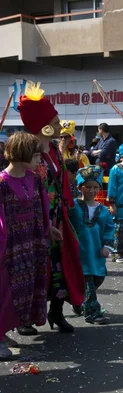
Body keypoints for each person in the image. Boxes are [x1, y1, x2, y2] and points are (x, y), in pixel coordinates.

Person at [18, 81, 84, 334]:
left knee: (60, 264)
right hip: (33, 219)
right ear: (43, 124)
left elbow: (62, 182)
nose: (59, 126)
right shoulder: (26, 151)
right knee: (33, 266)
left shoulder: (55, 149)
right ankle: (24, 317)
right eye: (55, 122)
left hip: (57, 218)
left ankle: (56, 312)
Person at [0, 133, 50, 359]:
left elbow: (41, 210)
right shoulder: (1, 183)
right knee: (5, 292)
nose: (40, 159)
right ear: (22, 153)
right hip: (9, 246)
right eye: (37, 154)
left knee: (24, 293)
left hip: (31, 243)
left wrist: (50, 230)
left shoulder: (35, 179)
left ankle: (3, 333)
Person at [70, 166, 115, 325]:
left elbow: (110, 229)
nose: (91, 190)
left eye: (95, 187)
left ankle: (79, 301)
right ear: (79, 187)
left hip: (96, 253)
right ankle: (93, 312)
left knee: (98, 278)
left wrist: (107, 247)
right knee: (87, 282)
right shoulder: (73, 206)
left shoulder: (103, 210)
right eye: (87, 187)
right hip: (79, 253)